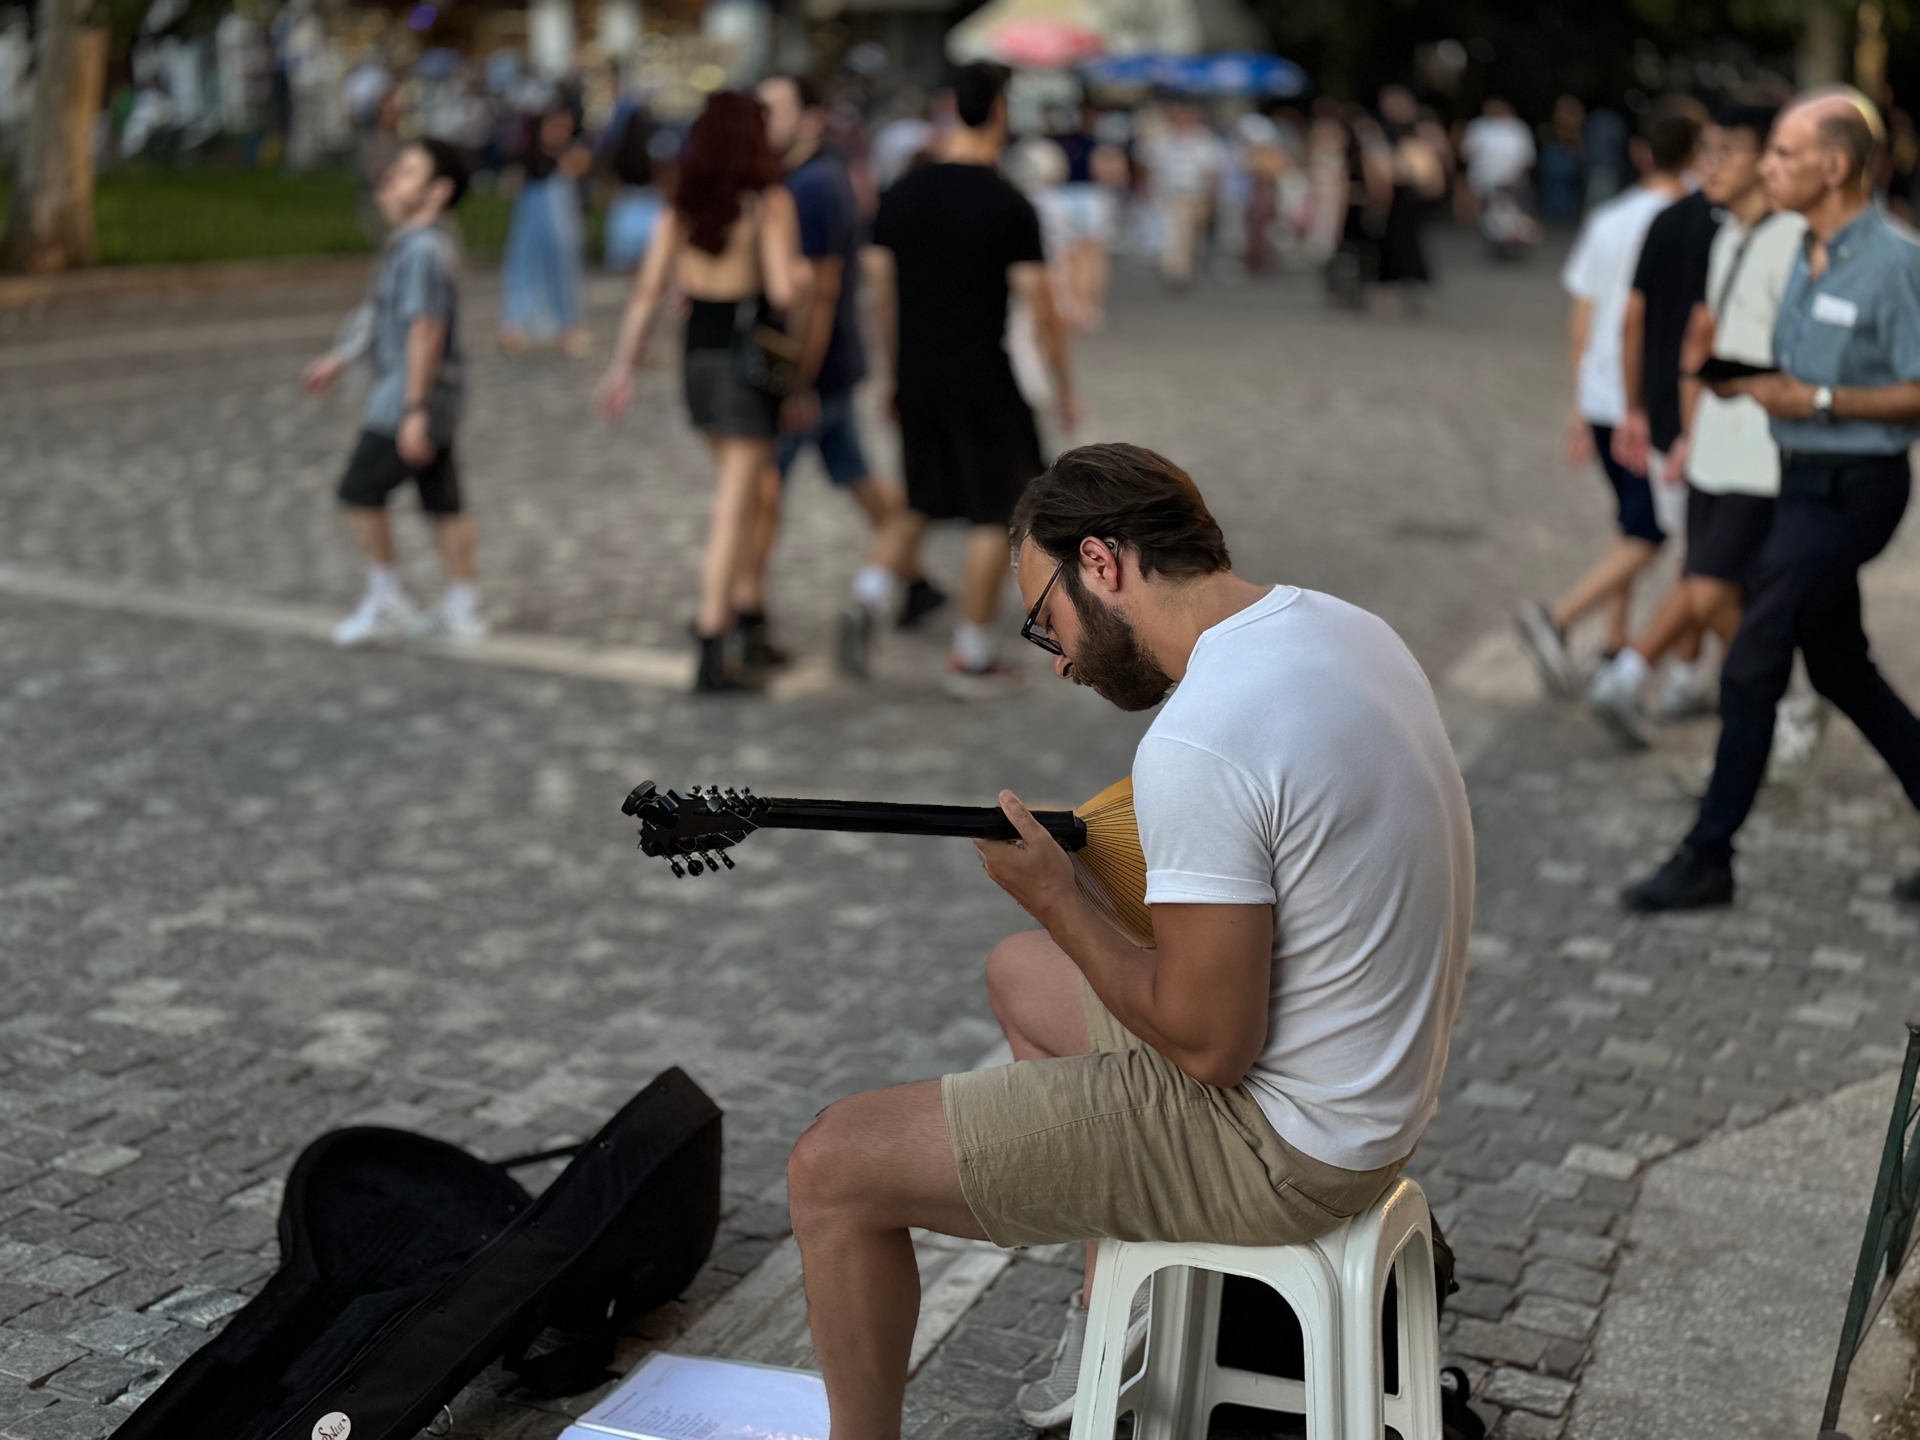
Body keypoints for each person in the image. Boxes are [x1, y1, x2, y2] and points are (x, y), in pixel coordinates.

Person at [782, 443, 1473, 1436]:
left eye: (1046, 620)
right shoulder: (1345, 630)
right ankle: (1106, 1305)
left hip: (1283, 1146)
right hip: (1370, 1099)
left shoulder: (1201, 738)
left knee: (831, 1168)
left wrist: (1059, 897)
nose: (1058, 659)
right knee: (1022, 975)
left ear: (1101, 563)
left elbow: (1209, 1045)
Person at [1624, 90, 1920, 911]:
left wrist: (1820, 403)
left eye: (1785, 154)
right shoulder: (1798, 250)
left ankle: (1707, 854)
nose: (1768, 165)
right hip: (1797, 483)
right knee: (1839, 667)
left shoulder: (1895, 262)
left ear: (1835, 167)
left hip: (1856, 487)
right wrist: (1745, 383)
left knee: (1755, 657)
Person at [1587, 104, 1802, 744]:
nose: (1709, 163)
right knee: (1709, 581)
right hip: (1712, 442)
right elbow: (1696, 344)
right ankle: (1769, 701)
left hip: (1761, 449)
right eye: (1704, 150)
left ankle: (1767, 700)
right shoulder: (1727, 233)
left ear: (1765, 160)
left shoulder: (1792, 241)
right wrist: (1685, 430)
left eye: (1726, 150)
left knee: (1711, 583)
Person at [867, 63, 1077, 700]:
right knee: (1002, 513)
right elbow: (1042, 309)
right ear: (1001, 112)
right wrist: (1066, 386)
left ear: (948, 106)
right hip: (984, 375)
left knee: (922, 499)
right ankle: (971, 649)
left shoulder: (901, 193)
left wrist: (892, 372)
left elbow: (881, 292)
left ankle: (867, 593)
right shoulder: (1008, 203)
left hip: (918, 373)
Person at [598, 90, 812, 693]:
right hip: (748, 362)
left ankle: (747, 615)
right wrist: (799, 273)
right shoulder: (768, 202)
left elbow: (646, 294)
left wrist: (622, 368)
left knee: (755, 491)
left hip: (698, 359)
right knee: (735, 501)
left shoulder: (679, 206)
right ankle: (713, 638)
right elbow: (782, 289)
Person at [1516, 99, 1701, 694]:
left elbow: (1582, 316)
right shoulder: (1697, 222)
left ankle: (1616, 640)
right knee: (1650, 532)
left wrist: (1577, 403)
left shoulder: (1610, 218)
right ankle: (1557, 619)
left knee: (1633, 525)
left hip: (1600, 396)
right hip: (1650, 400)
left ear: (1642, 152)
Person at [753, 72, 933, 681]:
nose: (760, 119)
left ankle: (742, 612)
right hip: (824, 368)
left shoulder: (814, 186)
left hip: (811, 371)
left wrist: (793, 381)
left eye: (771, 110)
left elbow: (819, 297)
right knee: (856, 474)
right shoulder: (808, 177)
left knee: (759, 491)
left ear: (808, 118)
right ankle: (916, 577)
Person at [304, 139, 484, 646]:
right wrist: (341, 355)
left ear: (438, 192)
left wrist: (413, 409)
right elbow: (382, 313)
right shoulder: (420, 243)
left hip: (410, 393)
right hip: (434, 394)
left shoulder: (424, 250)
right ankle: (464, 606)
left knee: (359, 490)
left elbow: (425, 329)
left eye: (407, 173)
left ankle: (387, 599)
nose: (391, 180)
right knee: (442, 498)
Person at [1583, 97, 1718, 742]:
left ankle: (1647, 657)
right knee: (1698, 554)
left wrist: (1605, 403)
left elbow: (1603, 318)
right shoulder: (1726, 222)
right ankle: (1620, 654)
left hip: (1632, 405)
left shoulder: (1638, 219)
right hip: (1690, 417)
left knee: (1659, 536)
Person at [500, 98, 592, 356]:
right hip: (533, 226)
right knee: (523, 270)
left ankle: (567, 325)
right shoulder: (532, 159)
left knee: (563, 272)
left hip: (561, 227)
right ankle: (515, 325)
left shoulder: (571, 155)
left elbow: (579, 168)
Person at [1143, 101, 1227, 290]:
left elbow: (1214, 170)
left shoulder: (1204, 140)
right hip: (1173, 194)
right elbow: (1152, 166)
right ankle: (1176, 272)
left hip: (1198, 194)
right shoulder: (1163, 140)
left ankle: (1186, 267)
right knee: (1176, 234)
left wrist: (1214, 196)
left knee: (1194, 237)